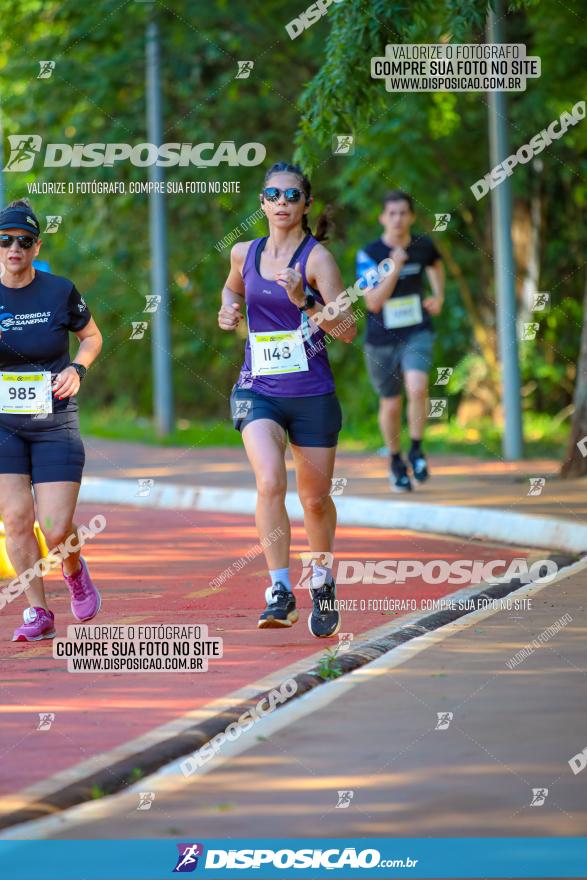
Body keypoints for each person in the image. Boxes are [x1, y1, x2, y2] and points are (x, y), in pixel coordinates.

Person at [218, 162, 356, 637]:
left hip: (312, 394)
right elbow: (233, 287)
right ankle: (278, 590)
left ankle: (321, 580)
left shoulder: (318, 260)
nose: (281, 202)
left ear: (305, 205)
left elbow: (348, 330)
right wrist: (227, 307)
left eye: (291, 196)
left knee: (315, 501)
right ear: (262, 202)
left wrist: (306, 301)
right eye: (272, 194)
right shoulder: (243, 252)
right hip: (258, 390)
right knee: (270, 481)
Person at [0, 199, 103, 641]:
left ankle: (74, 568)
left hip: (54, 421)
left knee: (57, 527)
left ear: (36, 246)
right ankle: (38, 611)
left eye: (23, 241)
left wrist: (77, 369)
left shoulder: (59, 290)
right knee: (17, 519)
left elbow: (91, 337)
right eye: (5, 241)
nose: (13, 249)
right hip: (4, 425)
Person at [357, 190, 445, 491]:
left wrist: (438, 296)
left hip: (416, 330)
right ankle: (396, 460)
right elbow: (373, 303)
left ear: (411, 216)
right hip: (381, 338)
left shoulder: (424, 245)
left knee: (418, 387)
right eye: (391, 213)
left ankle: (417, 450)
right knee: (391, 404)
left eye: (403, 213)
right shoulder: (369, 253)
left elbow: (435, 265)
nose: (397, 219)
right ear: (383, 218)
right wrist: (393, 268)